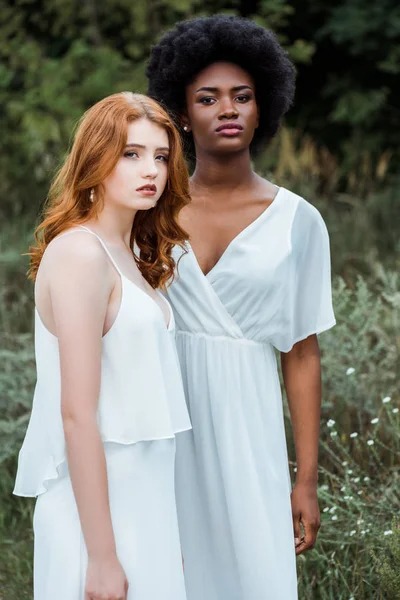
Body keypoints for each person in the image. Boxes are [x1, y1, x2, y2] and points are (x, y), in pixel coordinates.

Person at [147, 15, 336, 600]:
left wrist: (306, 480)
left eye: (242, 96)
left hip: (249, 427)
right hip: (158, 424)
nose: (227, 109)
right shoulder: (148, 211)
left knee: (254, 577)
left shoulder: (299, 222)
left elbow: (301, 354)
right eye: (207, 98)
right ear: (181, 113)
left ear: (263, 109)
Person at [13, 92, 192, 600]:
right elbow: (77, 416)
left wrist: (163, 533)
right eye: (131, 153)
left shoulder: (131, 252)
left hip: (145, 502)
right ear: (96, 158)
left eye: (161, 156)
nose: (151, 169)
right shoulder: (78, 254)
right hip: (96, 515)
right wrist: (104, 558)